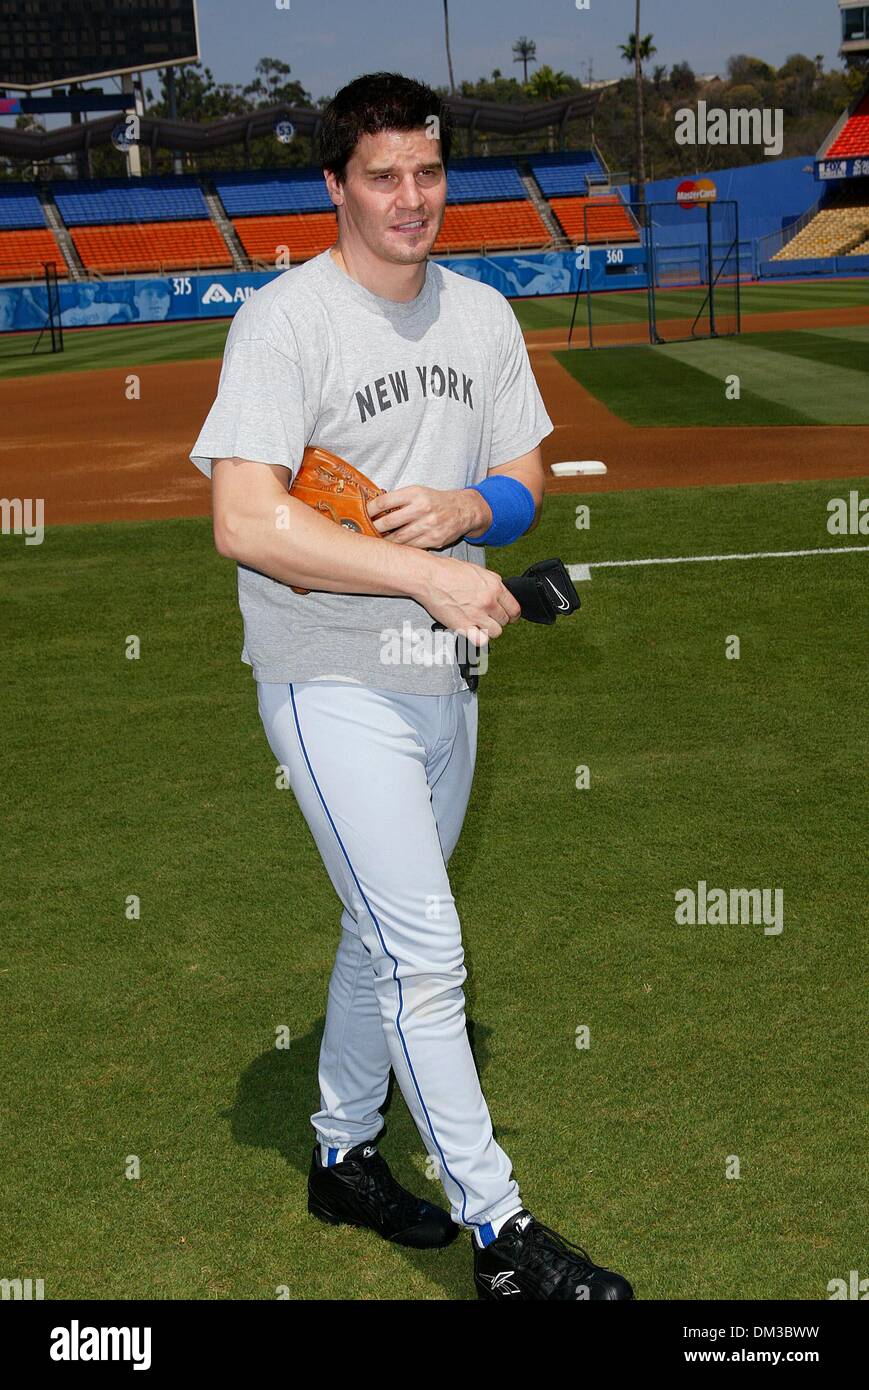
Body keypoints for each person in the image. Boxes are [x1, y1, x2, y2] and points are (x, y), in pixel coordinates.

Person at [189, 70, 633, 1302]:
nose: (409, 197)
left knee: (378, 932)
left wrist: (467, 510)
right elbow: (242, 520)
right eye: (381, 175)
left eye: (426, 172)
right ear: (335, 185)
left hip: (445, 674)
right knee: (425, 949)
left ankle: (341, 1153)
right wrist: (420, 571)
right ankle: (502, 1233)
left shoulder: (479, 315)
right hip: (326, 675)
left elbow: (524, 478)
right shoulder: (284, 322)